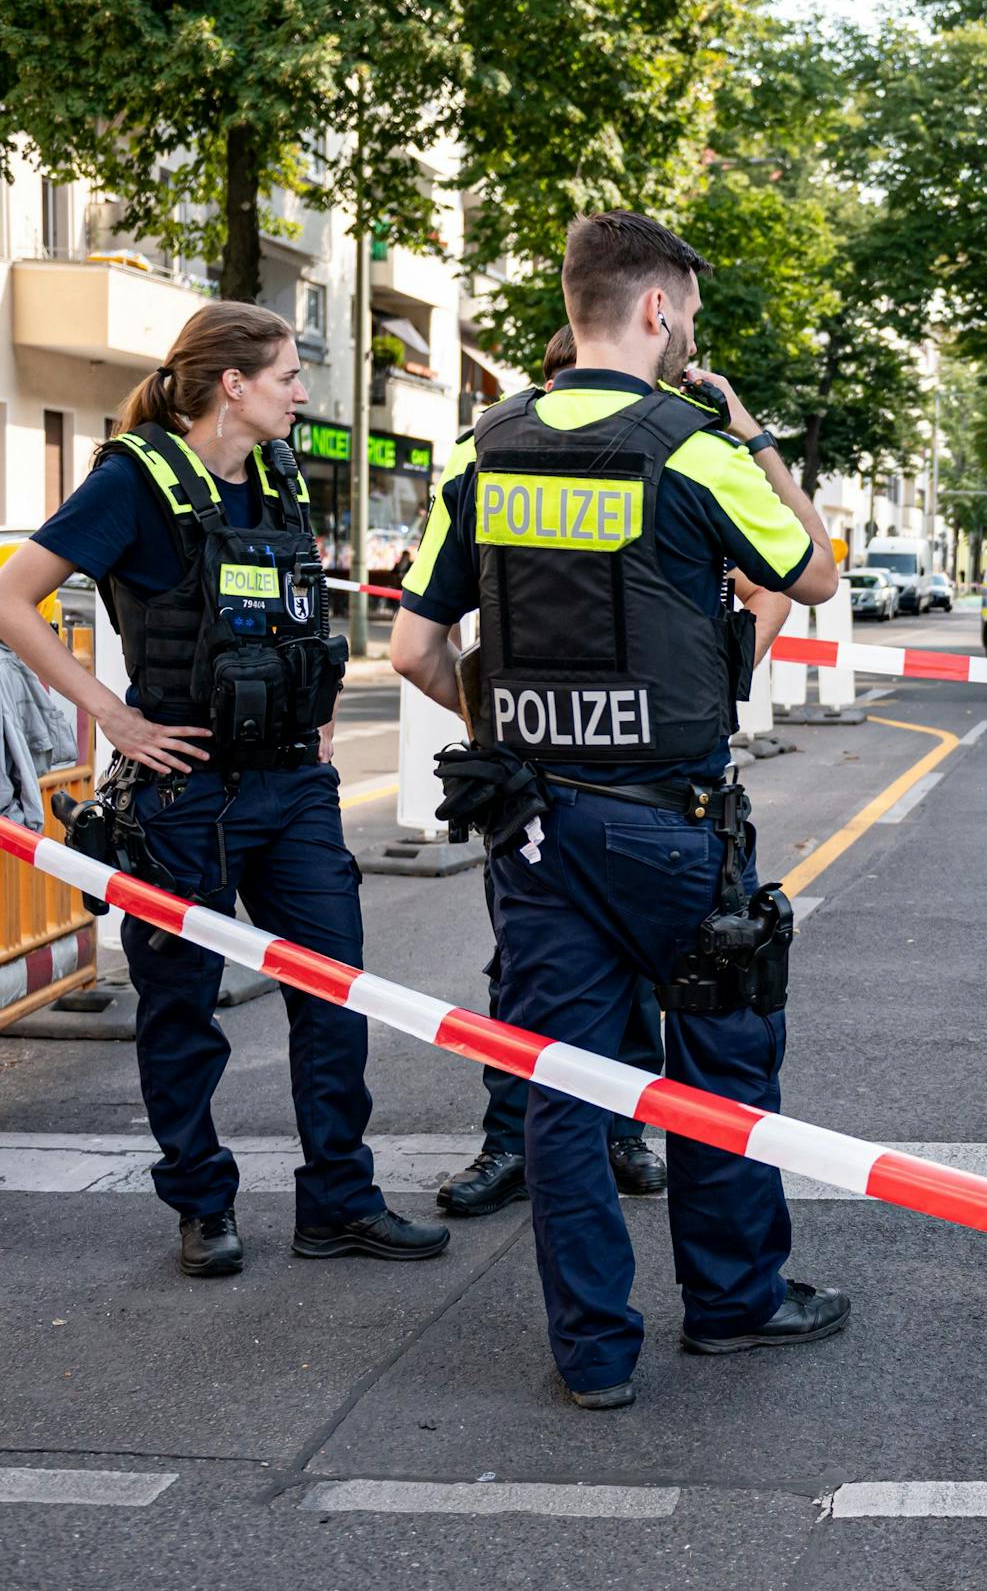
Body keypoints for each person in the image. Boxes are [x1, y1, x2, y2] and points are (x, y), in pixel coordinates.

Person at [391, 210, 844, 1409]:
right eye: (685, 311)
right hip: (669, 822)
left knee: (560, 1084)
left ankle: (592, 1350)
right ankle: (736, 1304)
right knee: (719, 1065)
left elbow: (410, 646)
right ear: (656, 311)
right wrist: (753, 437)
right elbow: (813, 572)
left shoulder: (477, 452)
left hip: (533, 826)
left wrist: (501, 731)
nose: (687, 328)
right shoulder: (692, 448)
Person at [0, 302, 448, 1276]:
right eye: (288, 374)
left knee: (333, 996)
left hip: (293, 786)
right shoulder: (134, 478)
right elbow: (10, 599)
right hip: (185, 792)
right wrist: (109, 715)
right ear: (231, 383)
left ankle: (338, 1201)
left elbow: (289, 614)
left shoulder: (280, 472)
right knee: (181, 1006)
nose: (301, 391)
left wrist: (317, 701)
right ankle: (202, 1202)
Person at [439, 320, 670, 1219]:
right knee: (524, 977)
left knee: (626, 974)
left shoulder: (656, 456)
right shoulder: (497, 458)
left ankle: (617, 1129)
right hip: (546, 781)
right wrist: (489, 728)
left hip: (614, 778)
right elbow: (435, 636)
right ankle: (512, 1140)